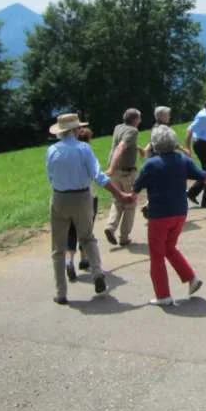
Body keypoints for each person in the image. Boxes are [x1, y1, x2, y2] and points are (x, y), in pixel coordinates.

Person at [134, 126, 206, 306]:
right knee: (169, 248)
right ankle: (191, 278)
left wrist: (124, 197)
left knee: (157, 254)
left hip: (159, 216)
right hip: (180, 214)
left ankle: (163, 296)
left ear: (154, 145)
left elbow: (135, 190)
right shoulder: (182, 160)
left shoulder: (151, 165)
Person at [46, 113, 136, 305]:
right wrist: (119, 195)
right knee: (87, 237)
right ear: (74, 130)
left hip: (59, 198)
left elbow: (51, 177)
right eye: (78, 128)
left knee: (58, 248)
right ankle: (97, 273)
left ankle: (61, 292)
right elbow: (99, 176)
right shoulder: (83, 149)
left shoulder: (52, 150)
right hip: (82, 197)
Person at [103, 108, 144, 246]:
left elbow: (123, 142)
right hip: (126, 172)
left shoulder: (118, 127)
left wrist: (138, 148)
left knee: (118, 200)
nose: (140, 121)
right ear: (135, 119)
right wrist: (111, 168)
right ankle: (124, 238)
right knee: (130, 203)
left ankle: (110, 227)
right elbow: (121, 147)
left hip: (115, 173)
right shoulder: (133, 131)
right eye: (139, 118)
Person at [65, 126, 96, 281]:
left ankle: (69, 260)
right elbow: (95, 173)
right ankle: (85, 259)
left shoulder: (67, 153)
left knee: (71, 231)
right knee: (86, 231)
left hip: (67, 196)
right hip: (87, 196)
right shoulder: (87, 151)